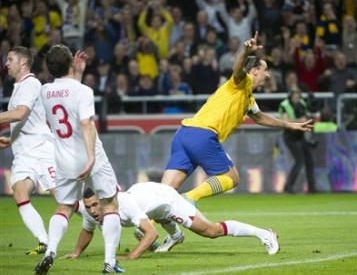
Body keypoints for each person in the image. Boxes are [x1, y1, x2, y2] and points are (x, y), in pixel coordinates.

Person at [161, 32, 313, 203]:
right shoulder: (243, 81)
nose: (268, 75)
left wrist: (289, 125)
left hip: (183, 134)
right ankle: (189, 198)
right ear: (254, 71)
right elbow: (237, 70)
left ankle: (148, 223)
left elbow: (260, 117)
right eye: (265, 70)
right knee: (232, 178)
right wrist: (246, 52)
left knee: (166, 191)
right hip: (203, 135)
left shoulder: (248, 98)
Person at [34, 45, 123, 274]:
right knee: (110, 203)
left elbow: (65, 97)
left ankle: (50, 252)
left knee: (64, 207)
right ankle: (109, 263)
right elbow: (84, 123)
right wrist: (91, 156)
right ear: (70, 64)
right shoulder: (83, 91)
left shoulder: (44, 91)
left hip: (63, 159)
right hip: (89, 153)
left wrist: (77, 73)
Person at [61, 182, 279, 260]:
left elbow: (151, 233)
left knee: (210, 231)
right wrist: (77, 252)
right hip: (150, 199)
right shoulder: (93, 211)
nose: (92, 211)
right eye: (88, 206)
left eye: (94, 205)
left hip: (168, 200)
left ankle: (265, 234)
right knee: (155, 216)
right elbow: (87, 231)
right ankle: (175, 236)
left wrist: (131, 255)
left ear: (104, 200)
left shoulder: (124, 205)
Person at [0, 46, 56, 255]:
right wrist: (11, 139)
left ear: (23, 62)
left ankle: (104, 221)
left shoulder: (31, 83)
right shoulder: (19, 87)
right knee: (19, 191)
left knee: (64, 200)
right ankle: (43, 241)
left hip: (42, 150)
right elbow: (24, 120)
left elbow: (20, 114)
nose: (6, 63)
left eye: (10, 59)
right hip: (24, 153)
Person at [278, 88, 316, 194]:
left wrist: (299, 121)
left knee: (309, 160)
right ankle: (288, 186)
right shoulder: (284, 105)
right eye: (295, 95)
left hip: (300, 136)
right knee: (299, 161)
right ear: (290, 96)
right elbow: (286, 120)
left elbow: (306, 118)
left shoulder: (302, 103)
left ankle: (312, 188)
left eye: (298, 95)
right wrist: (299, 121)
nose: (297, 97)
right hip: (289, 136)